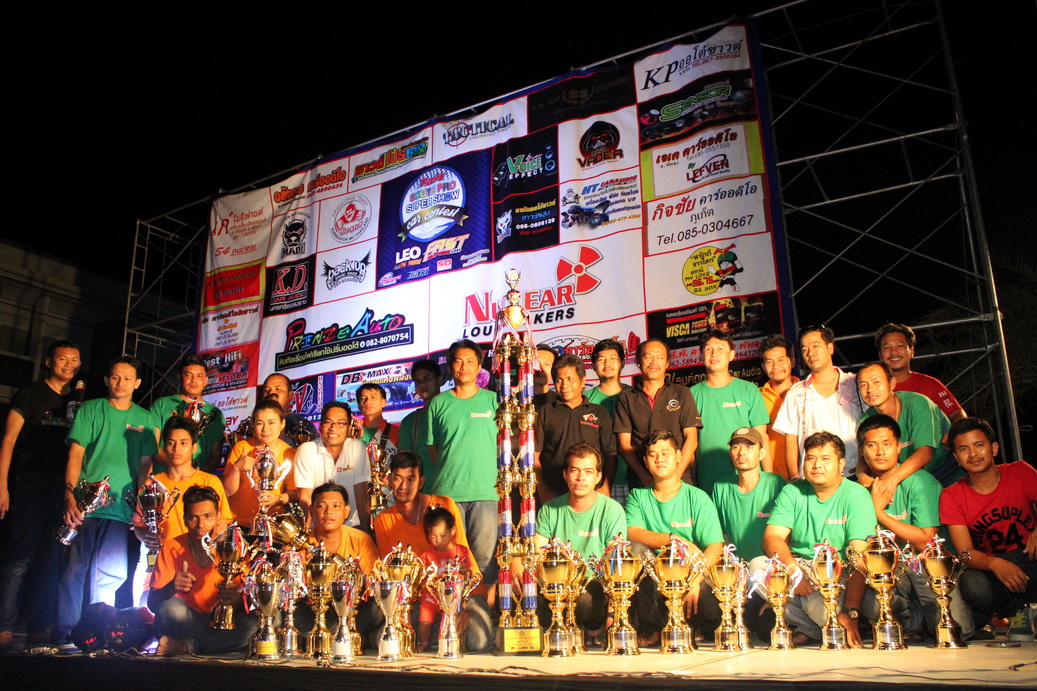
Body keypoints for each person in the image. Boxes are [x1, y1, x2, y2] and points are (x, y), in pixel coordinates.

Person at [54, 355, 159, 650]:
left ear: (137, 383)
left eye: (127, 378)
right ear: (106, 380)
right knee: (74, 569)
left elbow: (145, 466)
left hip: (121, 507)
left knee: (112, 573)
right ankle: (66, 633)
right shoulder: (91, 409)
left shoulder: (146, 419)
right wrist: (70, 495)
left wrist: (141, 507)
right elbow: (75, 454)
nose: (120, 383)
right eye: (115, 377)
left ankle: (97, 634)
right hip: (85, 505)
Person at [858, 415, 973, 640]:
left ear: (899, 447)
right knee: (866, 597)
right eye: (872, 445)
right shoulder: (859, 490)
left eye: (887, 444)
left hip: (926, 566)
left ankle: (935, 617)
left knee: (958, 632)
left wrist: (879, 513)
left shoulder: (921, 482)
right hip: (891, 570)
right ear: (862, 451)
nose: (880, 452)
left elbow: (926, 541)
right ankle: (912, 622)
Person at [0, 340, 81, 651]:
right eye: (62, 359)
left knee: (51, 559)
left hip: (65, 488)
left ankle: (39, 628)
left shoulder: (79, 399)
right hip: (32, 482)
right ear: (49, 362)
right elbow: (9, 439)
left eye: (74, 360)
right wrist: (3, 485)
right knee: (20, 556)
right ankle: (5, 626)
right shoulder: (31, 393)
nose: (68, 365)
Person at [759, 431, 876, 646]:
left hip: (838, 573)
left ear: (841, 464)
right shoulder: (792, 491)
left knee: (820, 607)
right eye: (810, 458)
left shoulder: (856, 494)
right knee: (758, 568)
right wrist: (794, 572)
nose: (816, 465)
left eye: (825, 459)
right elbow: (772, 537)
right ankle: (819, 625)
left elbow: (859, 558)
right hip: (801, 567)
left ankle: (822, 621)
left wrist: (851, 612)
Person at [940, 417, 1037, 638]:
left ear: (994, 448)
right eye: (963, 449)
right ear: (956, 457)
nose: (973, 454)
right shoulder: (952, 495)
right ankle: (1017, 613)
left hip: (1029, 557)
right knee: (971, 583)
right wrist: (994, 563)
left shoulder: (1020, 472)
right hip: (994, 568)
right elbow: (965, 553)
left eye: (979, 445)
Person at [626, 430, 724, 641]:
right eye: (653, 455)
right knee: (634, 549)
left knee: (710, 602)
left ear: (678, 456)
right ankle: (652, 627)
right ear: (645, 462)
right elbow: (632, 531)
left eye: (665, 453)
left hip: (691, 575)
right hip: (657, 579)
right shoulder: (638, 496)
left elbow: (715, 546)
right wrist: (675, 540)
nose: (659, 459)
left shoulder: (697, 497)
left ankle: (695, 628)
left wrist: (695, 580)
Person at [132, 417, 233, 607]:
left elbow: (223, 526)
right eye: (171, 443)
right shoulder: (151, 485)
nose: (176, 449)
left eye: (183, 443)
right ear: (164, 447)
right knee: (154, 610)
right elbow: (139, 525)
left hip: (202, 566)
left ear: (194, 447)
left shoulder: (210, 482)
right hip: (163, 566)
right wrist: (147, 536)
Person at [534, 443, 627, 639]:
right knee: (529, 589)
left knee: (584, 602)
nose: (580, 477)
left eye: (588, 471)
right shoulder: (549, 509)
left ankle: (592, 629)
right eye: (574, 470)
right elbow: (537, 555)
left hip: (593, 582)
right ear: (565, 474)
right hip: (556, 582)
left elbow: (616, 564)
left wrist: (613, 615)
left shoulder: (612, 510)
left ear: (598, 476)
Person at [148, 485, 256, 656]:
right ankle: (219, 645)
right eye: (193, 518)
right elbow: (153, 605)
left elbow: (248, 604)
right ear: (185, 519)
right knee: (170, 610)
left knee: (261, 623)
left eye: (207, 516)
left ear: (218, 517)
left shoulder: (235, 548)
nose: (201, 525)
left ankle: (186, 646)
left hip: (225, 624)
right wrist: (171, 587)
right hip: (188, 621)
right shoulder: (171, 547)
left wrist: (237, 599)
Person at [426, 339, 498, 581]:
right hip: (448, 493)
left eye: (470, 361)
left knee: (484, 562)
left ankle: (482, 606)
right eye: (458, 361)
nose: (464, 367)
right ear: (450, 366)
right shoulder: (439, 403)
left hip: (486, 492)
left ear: (479, 367)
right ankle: (451, 606)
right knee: (449, 562)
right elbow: (434, 448)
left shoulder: (494, 401)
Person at [298, 482, 382, 648]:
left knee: (376, 609)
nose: (328, 511)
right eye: (321, 506)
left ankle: (324, 637)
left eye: (336, 506)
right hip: (313, 609)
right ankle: (340, 637)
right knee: (288, 614)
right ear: (311, 511)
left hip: (350, 609)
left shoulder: (360, 540)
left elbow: (371, 587)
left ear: (346, 512)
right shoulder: (300, 543)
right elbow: (294, 592)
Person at [772, 326, 863, 480]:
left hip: (853, 474)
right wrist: (794, 476)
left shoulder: (855, 384)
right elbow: (791, 438)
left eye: (815, 346)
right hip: (812, 478)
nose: (810, 353)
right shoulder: (796, 392)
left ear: (830, 348)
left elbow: (870, 428)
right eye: (805, 349)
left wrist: (864, 469)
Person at [690, 329, 769, 494]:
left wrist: (769, 478)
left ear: (732, 354)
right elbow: (690, 443)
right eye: (709, 349)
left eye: (720, 349)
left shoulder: (748, 390)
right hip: (708, 480)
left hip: (749, 480)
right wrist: (692, 483)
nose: (714, 354)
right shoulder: (691, 394)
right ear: (700, 356)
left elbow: (762, 436)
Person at [614, 339, 701, 489]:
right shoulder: (626, 397)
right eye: (648, 357)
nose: (654, 361)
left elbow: (691, 438)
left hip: (680, 479)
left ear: (667, 363)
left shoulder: (682, 393)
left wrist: (676, 476)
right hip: (641, 481)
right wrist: (643, 475)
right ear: (638, 361)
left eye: (660, 357)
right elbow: (624, 444)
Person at [857, 361, 956, 488]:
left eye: (876, 382)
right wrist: (862, 476)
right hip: (909, 477)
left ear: (892, 383)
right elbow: (863, 457)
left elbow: (925, 454)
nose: (870, 390)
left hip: (947, 470)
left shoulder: (918, 404)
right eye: (863, 385)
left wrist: (890, 482)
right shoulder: (866, 420)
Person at [534, 353, 616, 502]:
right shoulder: (545, 412)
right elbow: (534, 455)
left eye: (570, 379)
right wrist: (543, 490)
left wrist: (606, 486)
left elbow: (611, 454)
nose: (564, 385)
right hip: (553, 493)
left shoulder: (599, 412)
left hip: (592, 493)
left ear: (583, 381)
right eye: (559, 380)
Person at [415, 507, 492, 653]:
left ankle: (448, 643)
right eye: (433, 537)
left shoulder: (462, 551)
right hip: (431, 598)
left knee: (450, 621)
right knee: (424, 622)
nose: (438, 540)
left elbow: (471, 574)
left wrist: (465, 572)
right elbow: (421, 578)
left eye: (442, 535)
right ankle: (423, 642)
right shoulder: (426, 555)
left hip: (454, 598)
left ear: (453, 530)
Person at [373, 451, 469, 558]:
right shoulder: (383, 521)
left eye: (410, 480)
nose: (403, 486)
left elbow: (464, 556)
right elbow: (388, 565)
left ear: (421, 482)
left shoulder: (445, 505)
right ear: (390, 480)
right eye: (397, 479)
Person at [711, 427, 785, 563]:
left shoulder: (775, 483)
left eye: (749, 447)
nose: (742, 453)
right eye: (736, 447)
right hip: (736, 567)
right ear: (730, 454)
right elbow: (720, 534)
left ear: (761, 454)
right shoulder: (721, 487)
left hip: (769, 565)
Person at [293, 402, 370, 530]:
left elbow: (361, 492)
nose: (333, 428)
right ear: (320, 426)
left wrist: (366, 532)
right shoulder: (306, 450)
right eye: (328, 422)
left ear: (349, 428)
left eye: (340, 423)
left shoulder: (357, 447)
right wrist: (305, 533)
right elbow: (305, 497)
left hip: (351, 526)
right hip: (318, 527)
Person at [221, 399, 295, 530]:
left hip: (272, 525)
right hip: (239, 524)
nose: (265, 429)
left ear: (282, 424)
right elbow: (227, 491)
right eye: (260, 423)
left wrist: (278, 499)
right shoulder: (242, 448)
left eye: (271, 422)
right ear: (253, 425)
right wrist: (236, 468)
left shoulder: (289, 453)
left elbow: (295, 493)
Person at [149, 354, 225, 474]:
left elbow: (216, 455)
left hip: (198, 482)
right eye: (188, 374)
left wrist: (198, 474)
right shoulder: (161, 405)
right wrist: (180, 466)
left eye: (199, 376)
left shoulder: (214, 413)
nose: (194, 380)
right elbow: (152, 447)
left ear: (206, 380)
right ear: (180, 377)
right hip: (165, 478)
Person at [875, 323, 966, 423]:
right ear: (880, 355)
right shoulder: (872, 389)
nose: (893, 352)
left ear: (911, 351)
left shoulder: (931, 384)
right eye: (887, 347)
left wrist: (959, 429)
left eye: (900, 346)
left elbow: (957, 413)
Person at [586, 338, 632, 503]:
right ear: (593, 365)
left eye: (613, 358)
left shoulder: (636, 396)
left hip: (635, 479)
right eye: (601, 359)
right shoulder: (585, 401)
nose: (607, 363)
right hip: (595, 484)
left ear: (622, 363)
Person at [758, 334, 799, 480]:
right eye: (769, 362)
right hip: (773, 479)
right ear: (763, 367)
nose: (776, 366)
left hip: (808, 476)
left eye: (781, 360)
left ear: (792, 362)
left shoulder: (806, 392)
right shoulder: (757, 398)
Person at [398, 359, 442, 485]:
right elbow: (405, 463)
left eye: (427, 378)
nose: (422, 384)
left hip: (456, 489)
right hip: (424, 490)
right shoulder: (410, 422)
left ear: (439, 380)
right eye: (418, 381)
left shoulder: (455, 412)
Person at [262, 373, 317, 447]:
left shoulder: (305, 426)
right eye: (266, 390)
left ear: (290, 395)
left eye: (278, 389)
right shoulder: (252, 425)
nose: (271, 393)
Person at [356, 382, 400, 455]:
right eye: (363, 398)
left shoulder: (397, 432)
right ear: (359, 405)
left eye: (373, 397)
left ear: (384, 402)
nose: (368, 401)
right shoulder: (350, 431)